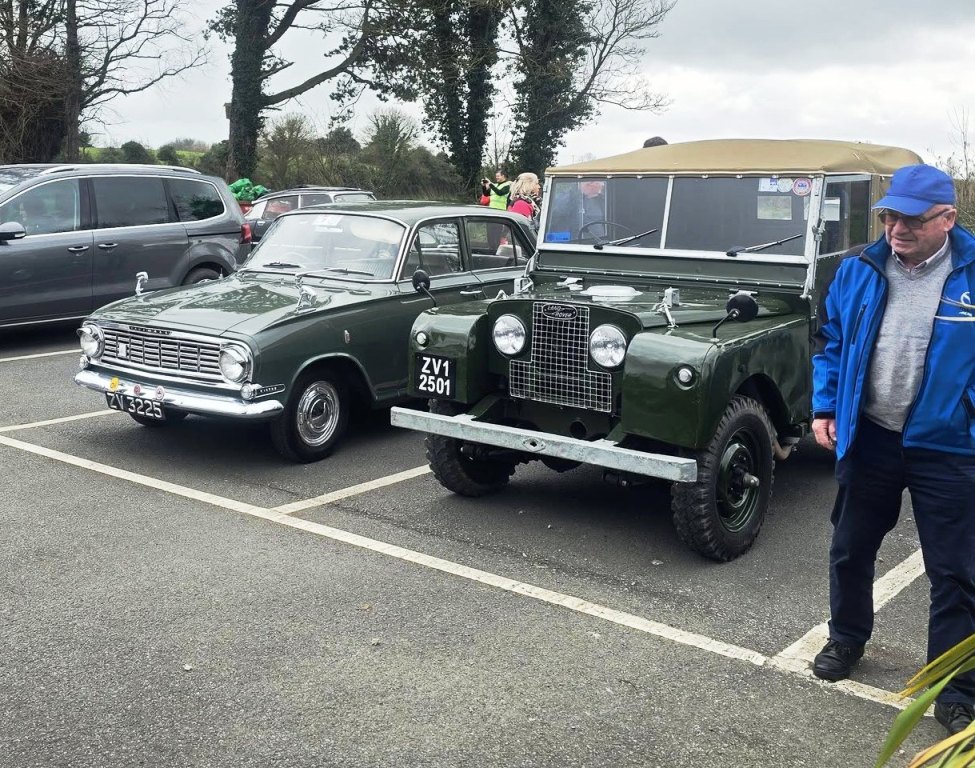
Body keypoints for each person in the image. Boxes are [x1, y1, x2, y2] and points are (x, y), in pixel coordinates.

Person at [811, 163, 975, 739]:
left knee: (955, 575)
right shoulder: (861, 268)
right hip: (873, 437)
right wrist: (826, 406)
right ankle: (846, 638)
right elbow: (832, 342)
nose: (896, 229)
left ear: (947, 219)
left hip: (950, 447)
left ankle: (954, 689)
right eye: (889, 217)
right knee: (850, 549)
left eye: (911, 219)